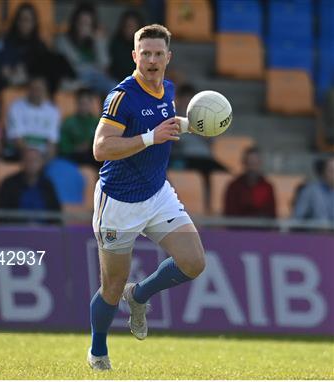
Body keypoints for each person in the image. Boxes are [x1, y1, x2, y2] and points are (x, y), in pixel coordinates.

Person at [87, 24, 205, 370]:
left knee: (194, 263)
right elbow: (100, 148)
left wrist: (192, 124)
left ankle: (139, 297)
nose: (152, 60)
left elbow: (163, 125)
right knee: (111, 285)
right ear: (134, 56)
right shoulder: (121, 97)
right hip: (119, 203)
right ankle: (97, 352)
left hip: (156, 195)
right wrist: (150, 138)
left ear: (168, 57)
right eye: (146, 53)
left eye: (158, 54)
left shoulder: (167, 88)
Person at [55, 3, 116, 95]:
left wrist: (98, 42)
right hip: (75, 79)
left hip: (96, 79)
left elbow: (104, 65)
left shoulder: (97, 40)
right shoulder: (63, 41)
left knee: (116, 88)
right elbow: (69, 65)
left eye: (87, 24)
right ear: (74, 22)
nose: (83, 27)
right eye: (80, 23)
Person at [0, 147, 61, 224]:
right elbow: (1, 213)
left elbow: (56, 214)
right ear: (22, 162)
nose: (31, 164)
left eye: (35, 160)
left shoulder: (48, 185)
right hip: (16, 231)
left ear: (41, 163)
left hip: (44, 232)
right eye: (28, 160)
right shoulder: (9, 183)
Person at [5, 76, 60, 160]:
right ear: (28, 90)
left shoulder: (53, 110)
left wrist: (47, 159)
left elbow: (52, 141)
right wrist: (31, 157)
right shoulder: (16, 107)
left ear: (46, 91)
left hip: (43, 156)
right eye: (33, 89)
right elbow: (16, 139)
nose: (36, 92)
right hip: (20, 153)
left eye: (39, 89)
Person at [223, 147, 276, 218]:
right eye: (249, 163)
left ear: (260, 163)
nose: (252, 167)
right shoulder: (234, 186)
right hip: (238, 228)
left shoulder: (267, 187)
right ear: (244, 163)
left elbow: (271, 214)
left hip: (261, 228)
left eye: (255, 163)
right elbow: (229, 213)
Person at [58, 87, 99, 167]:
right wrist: (75, 148)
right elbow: (63, 146)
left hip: (92, 157)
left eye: (86, 103)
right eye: (81, 103)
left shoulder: (97, 123)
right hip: (72, 157)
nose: (83, 107)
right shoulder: (68, 122)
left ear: (91, 104)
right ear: (76, 103)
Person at [292, 156, 334, 223]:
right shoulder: (310, 190)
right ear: (324, 172)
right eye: (331, 171)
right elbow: (297, 218)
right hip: (315, 232)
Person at [109, 10, 144, 81]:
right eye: (127, 26)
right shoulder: (116, 43)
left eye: (132, 26)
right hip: (116, 82)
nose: (129, 29)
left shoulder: (144, 47)